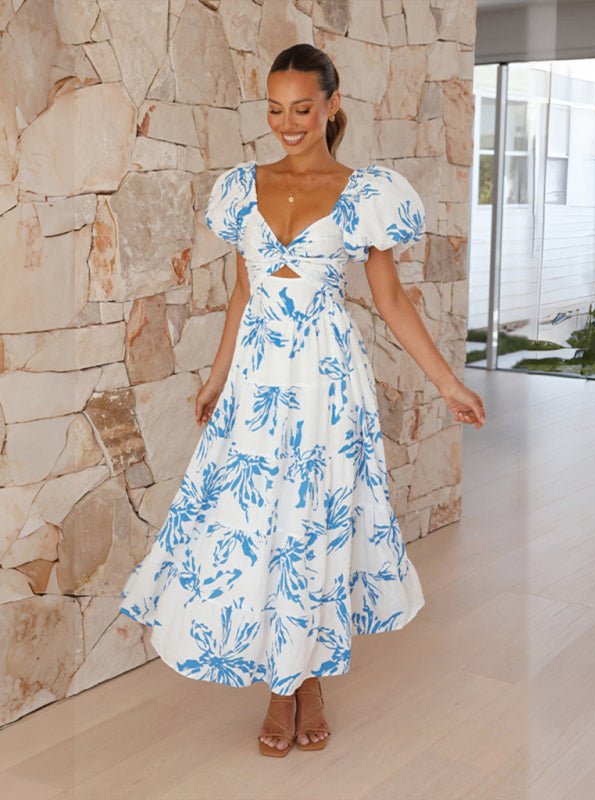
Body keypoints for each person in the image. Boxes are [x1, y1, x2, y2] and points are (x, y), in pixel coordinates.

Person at [119, 42, 486, 759]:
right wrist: (217, 376)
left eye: (303, 109)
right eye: (276, 110)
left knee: (310, 528)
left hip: (327, 383)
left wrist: (448, 383)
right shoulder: (241, 188)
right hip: (256, 381)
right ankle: (283, 681)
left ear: (331, 105)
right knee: (253, 522)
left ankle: (299, 684)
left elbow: (391, 300)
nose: (288, 124)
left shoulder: (366, 193)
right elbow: (243, 292)